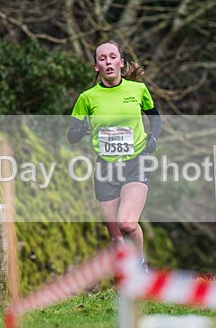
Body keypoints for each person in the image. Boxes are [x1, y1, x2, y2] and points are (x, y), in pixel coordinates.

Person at [68, 41, 161, 268]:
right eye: (102, 59)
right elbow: (71, 135)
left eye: (112, 57)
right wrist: (79, 130)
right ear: (96, 67)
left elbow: (155, 117)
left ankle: (141, 267)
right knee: (116, 237)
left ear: (120, 62)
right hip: (106, 168)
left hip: (136, 162)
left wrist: (153, 137)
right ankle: (124, 285)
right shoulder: (87, 98)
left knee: (127, 223)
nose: (107, 62)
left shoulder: (137, 90)